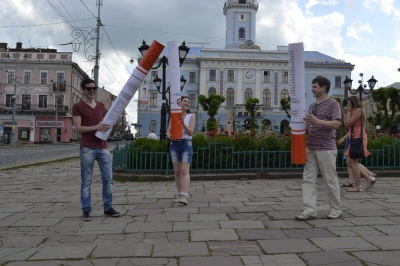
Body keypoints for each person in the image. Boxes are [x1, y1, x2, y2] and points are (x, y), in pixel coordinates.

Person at [72, 78, 121, 221]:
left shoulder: (101, 105)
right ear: (83, 90)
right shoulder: (78, 106)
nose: (92, 91)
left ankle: (108, 207)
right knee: (86, 180)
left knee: (108, 179)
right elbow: (79, 129)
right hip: (87, 147)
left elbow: (105, 124)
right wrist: (96, 128)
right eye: (89, 88)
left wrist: (107, 129)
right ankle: (86, 210)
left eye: (94, 88)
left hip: (103, 147)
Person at [295, 76, 342, 221]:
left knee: (330, 179)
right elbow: (311, 127)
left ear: (324, 88)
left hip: (326, 147)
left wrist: (316, 121)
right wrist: (305, 125)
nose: (312, 89)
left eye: (315, 87)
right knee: (308, 179)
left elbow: (335, 124)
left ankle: (336, 209)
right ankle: (309, 210)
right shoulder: (312, 106)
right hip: (311, 147)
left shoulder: (333, 104)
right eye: (312, 86)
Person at [342, 96, 376, 192]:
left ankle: (357, 186)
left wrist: (347, 112)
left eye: (349, 103)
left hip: (358, 137)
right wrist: (345, 113)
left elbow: (349, 124)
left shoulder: (357, 110)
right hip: (354, 137)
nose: (347, 105)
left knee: (353, 162)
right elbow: (346, 124)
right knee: (349, 162)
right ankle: (369, 178)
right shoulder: (354, 111)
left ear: (353, 103)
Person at [167, 96, 196, 205]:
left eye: (189, 102)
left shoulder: (191, 116)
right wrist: (171, 137)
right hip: (174, 144)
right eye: (185, 101)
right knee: (177, 172)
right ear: (180, 103)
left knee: (184, 170)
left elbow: (191, 132)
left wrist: (183, 122)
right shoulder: (174, 116)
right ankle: (179, 194)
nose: (187, 103)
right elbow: (168, 132)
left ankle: (184, 195)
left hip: (186, 144)